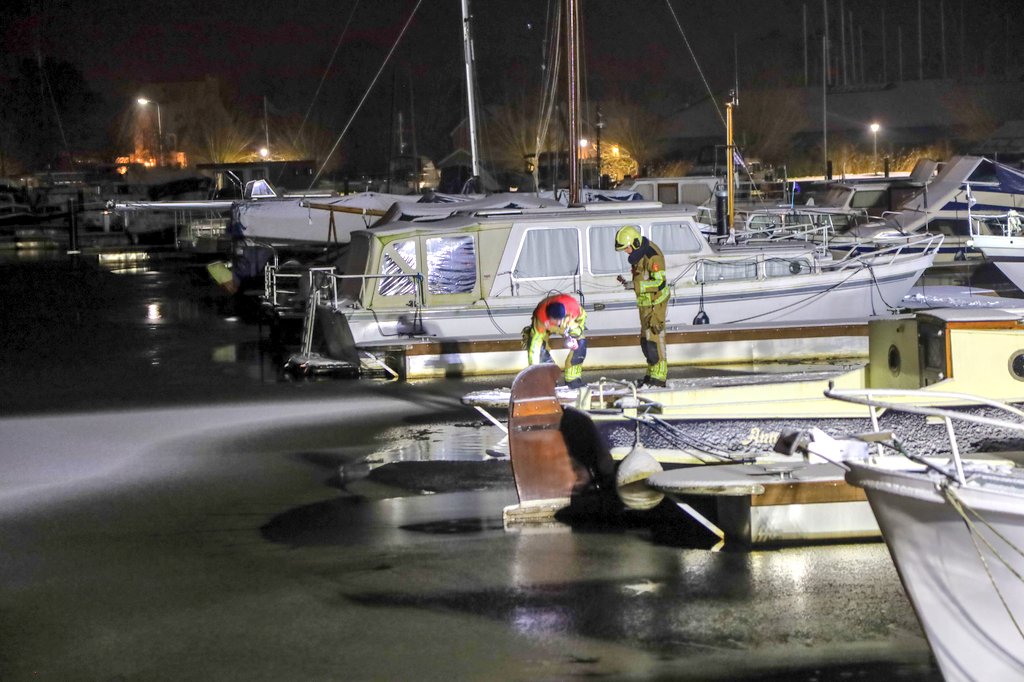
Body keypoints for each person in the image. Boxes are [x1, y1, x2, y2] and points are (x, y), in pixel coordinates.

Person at [615, 224, 669, 387]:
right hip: (645, 304)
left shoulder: (653, 256)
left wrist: (636, 286)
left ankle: (659, 376)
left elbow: (659, 283)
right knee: (645, 340)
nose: (626, 252)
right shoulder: (638, 255)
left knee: (655, 338)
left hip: (655, 303)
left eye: (626, 248)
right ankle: (651, 372)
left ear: (635, 243)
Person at [523, 293, 588, 389]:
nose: (557, 323)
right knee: (540, 350)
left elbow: (581, 321)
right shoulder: (540, 319)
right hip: (547, 325)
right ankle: (548, 381)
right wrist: (534, 370)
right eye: (554, 320)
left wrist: (574, 336)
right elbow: (535, 346)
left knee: (581, 344)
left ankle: (573, 380)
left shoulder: (574, 310)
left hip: (569, 325)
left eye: (559, 320)